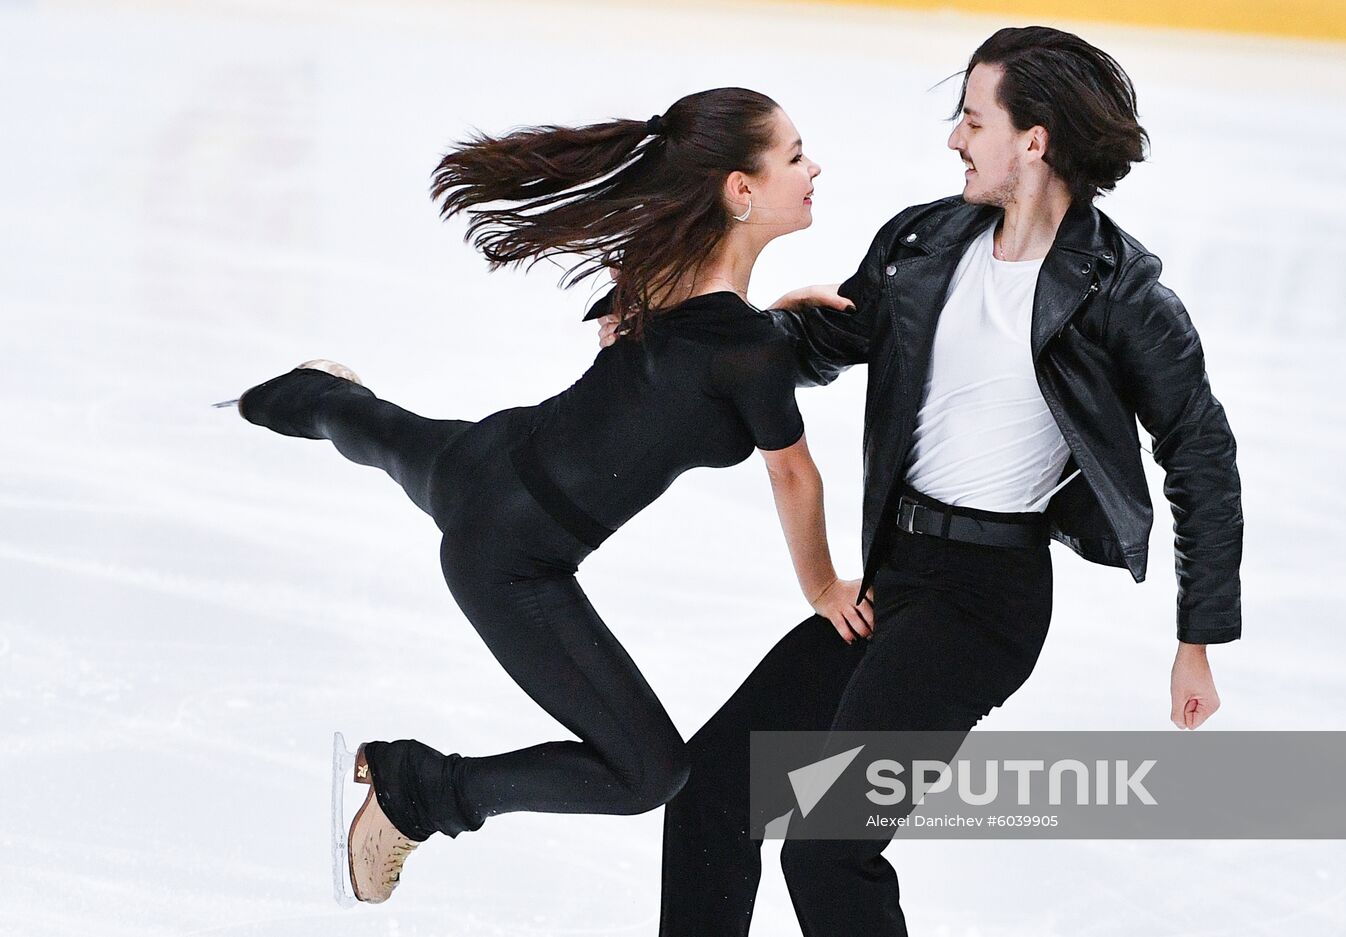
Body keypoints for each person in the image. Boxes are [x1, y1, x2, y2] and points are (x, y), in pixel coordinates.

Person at [599, 27, 1244, 937]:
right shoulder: (925, 241)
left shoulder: (1123, 297)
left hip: (984, 606)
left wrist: (1198, 636)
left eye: (973, 120)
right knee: (713, 792)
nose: (954, 139)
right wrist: (685, 337)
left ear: (1036, 139)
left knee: (826, 846)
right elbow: (821, 344)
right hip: (895, 576)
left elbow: (1201, 455)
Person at [230, 87, 875, 905]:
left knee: (363, 423)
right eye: (793, 155)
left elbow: (700, 353)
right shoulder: (733, 339)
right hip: (510, 560)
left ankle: (283, 397)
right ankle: (419, 790)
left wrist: (780, 324)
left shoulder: (670, 281)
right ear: (740, 191)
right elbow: (794, 472)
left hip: (488, 454)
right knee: (652, 771)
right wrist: (823, 586)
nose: (812, 166)